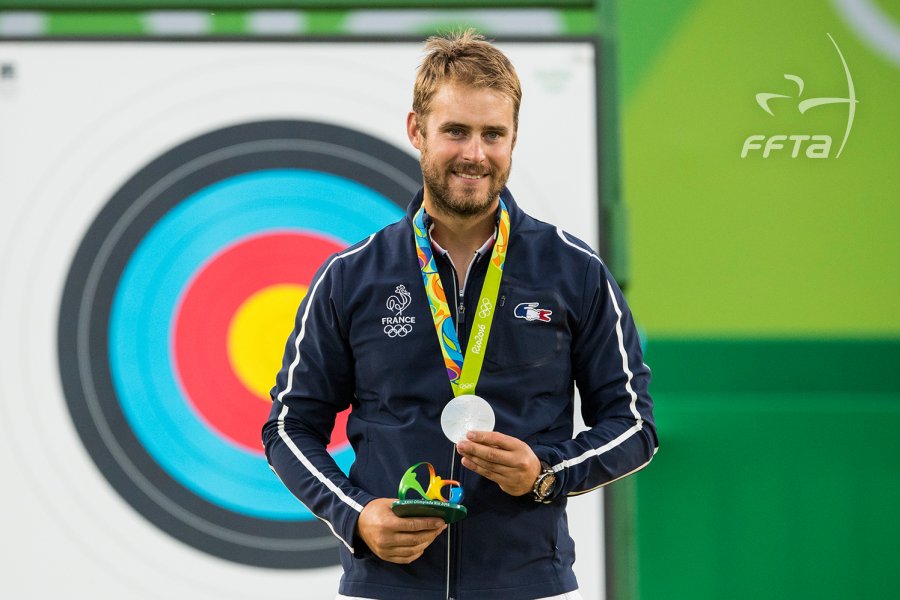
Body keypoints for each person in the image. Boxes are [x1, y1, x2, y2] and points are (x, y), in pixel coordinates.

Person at [262, 29, 657, 600]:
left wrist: (547, 474)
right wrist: (356, 516)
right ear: (417, 131)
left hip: (527, 584)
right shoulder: (352, 276)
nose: (475, 153)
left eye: (493, 134)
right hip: (389, 584)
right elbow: (287, 426)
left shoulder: (575, 271)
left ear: (514, 139)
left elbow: (635, 427)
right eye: (456, 131)